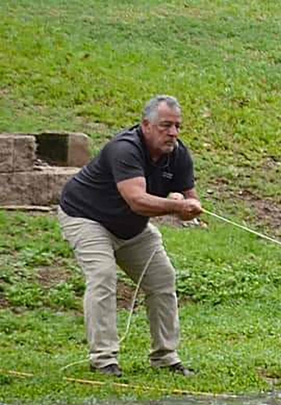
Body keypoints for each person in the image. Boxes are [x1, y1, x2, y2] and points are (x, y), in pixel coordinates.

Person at [57, 95, 204, 378]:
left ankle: (166, 357)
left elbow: (191, 204)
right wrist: (176, 205)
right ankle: (103, 360)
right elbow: (137, 200)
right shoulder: (124, 149)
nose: (173, 133)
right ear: (146, 125)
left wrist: (188, 207)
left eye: (177, 126)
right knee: (102, 275)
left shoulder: (179, 154)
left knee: (163, 279)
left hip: (132, 228)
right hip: (87, 217)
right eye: (165, 126)